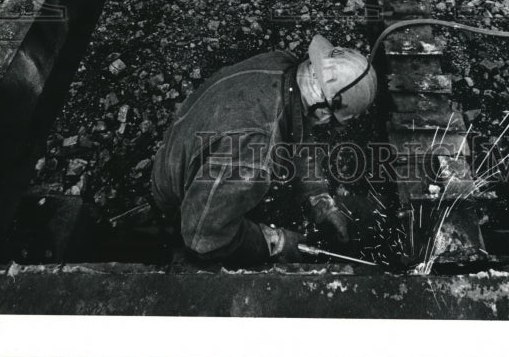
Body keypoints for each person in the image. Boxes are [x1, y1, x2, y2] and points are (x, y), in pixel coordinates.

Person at [150, 34, 378, 267]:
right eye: (332, 121)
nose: (329, 127)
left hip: (187, 147)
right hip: (180, 199)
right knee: (218, 245)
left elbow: (300, 132)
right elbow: (204, 238)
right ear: (325, 108)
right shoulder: (256, 151)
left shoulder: (284, 67)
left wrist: (319, 199)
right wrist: (278, 242)